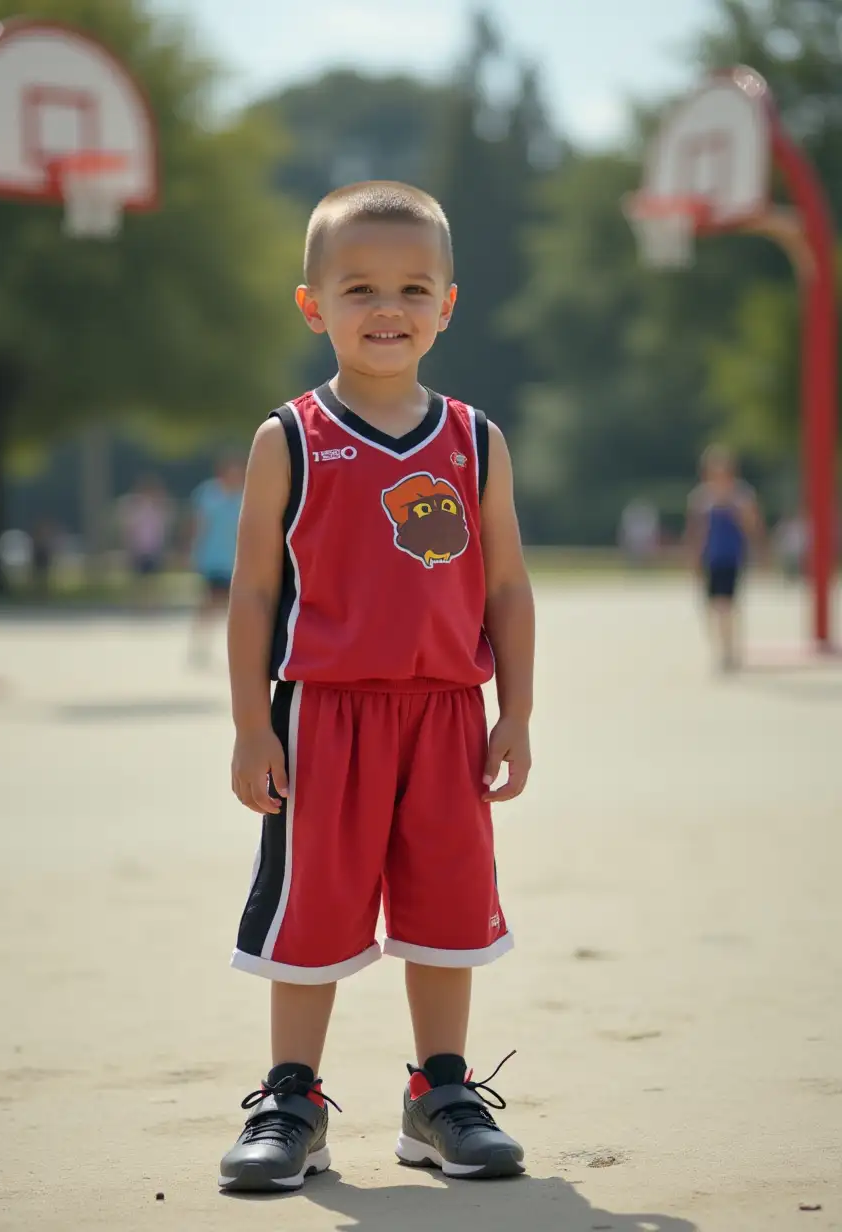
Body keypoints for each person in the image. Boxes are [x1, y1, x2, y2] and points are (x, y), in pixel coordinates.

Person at [219, 181, 535, 1193]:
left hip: (446, 712)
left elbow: (509, 584)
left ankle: (439, 1095)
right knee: (310, 913)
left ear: (447, 304)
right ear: (313, 304)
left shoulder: (474, 440)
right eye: (359, 287)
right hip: (324, 714)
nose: (386, 307)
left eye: (411, 287)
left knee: (447, 911)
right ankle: (291, 1099)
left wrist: (515, 712)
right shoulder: (291, 438)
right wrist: (245, 727)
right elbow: (255, 591)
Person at [685, 444, 765, 671]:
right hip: (711, 557)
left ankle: (729, 651)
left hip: (731, 558)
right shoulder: (702, 498)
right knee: (713, 606)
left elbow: (752, 526)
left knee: (726, 605)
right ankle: (721, 649)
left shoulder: (741, 496)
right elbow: (696, 532)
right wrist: (694, 559)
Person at [188, 457, 244, 664]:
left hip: (236, 561)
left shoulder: (244, 496)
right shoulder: (208, 494)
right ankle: (200, 645)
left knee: (238, 607)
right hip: (212, 559)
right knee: (209, 604)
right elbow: (198, 524)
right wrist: (193, 550)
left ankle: (239, 647)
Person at [121, 474, 171, 607]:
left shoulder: (159, 508)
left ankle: (153, 603)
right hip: (139, 548)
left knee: (154, 578)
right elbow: (129, 529)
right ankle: (139, 603)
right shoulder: (135, 508)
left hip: (154, 548)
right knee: (139, 578)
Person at [618, 497, 660, 568]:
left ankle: (644, 566)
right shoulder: (630, 514)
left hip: (642, 537)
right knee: (635, 552)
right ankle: (635, 565)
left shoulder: (647, 515)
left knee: (644, 552)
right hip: (635, 537)